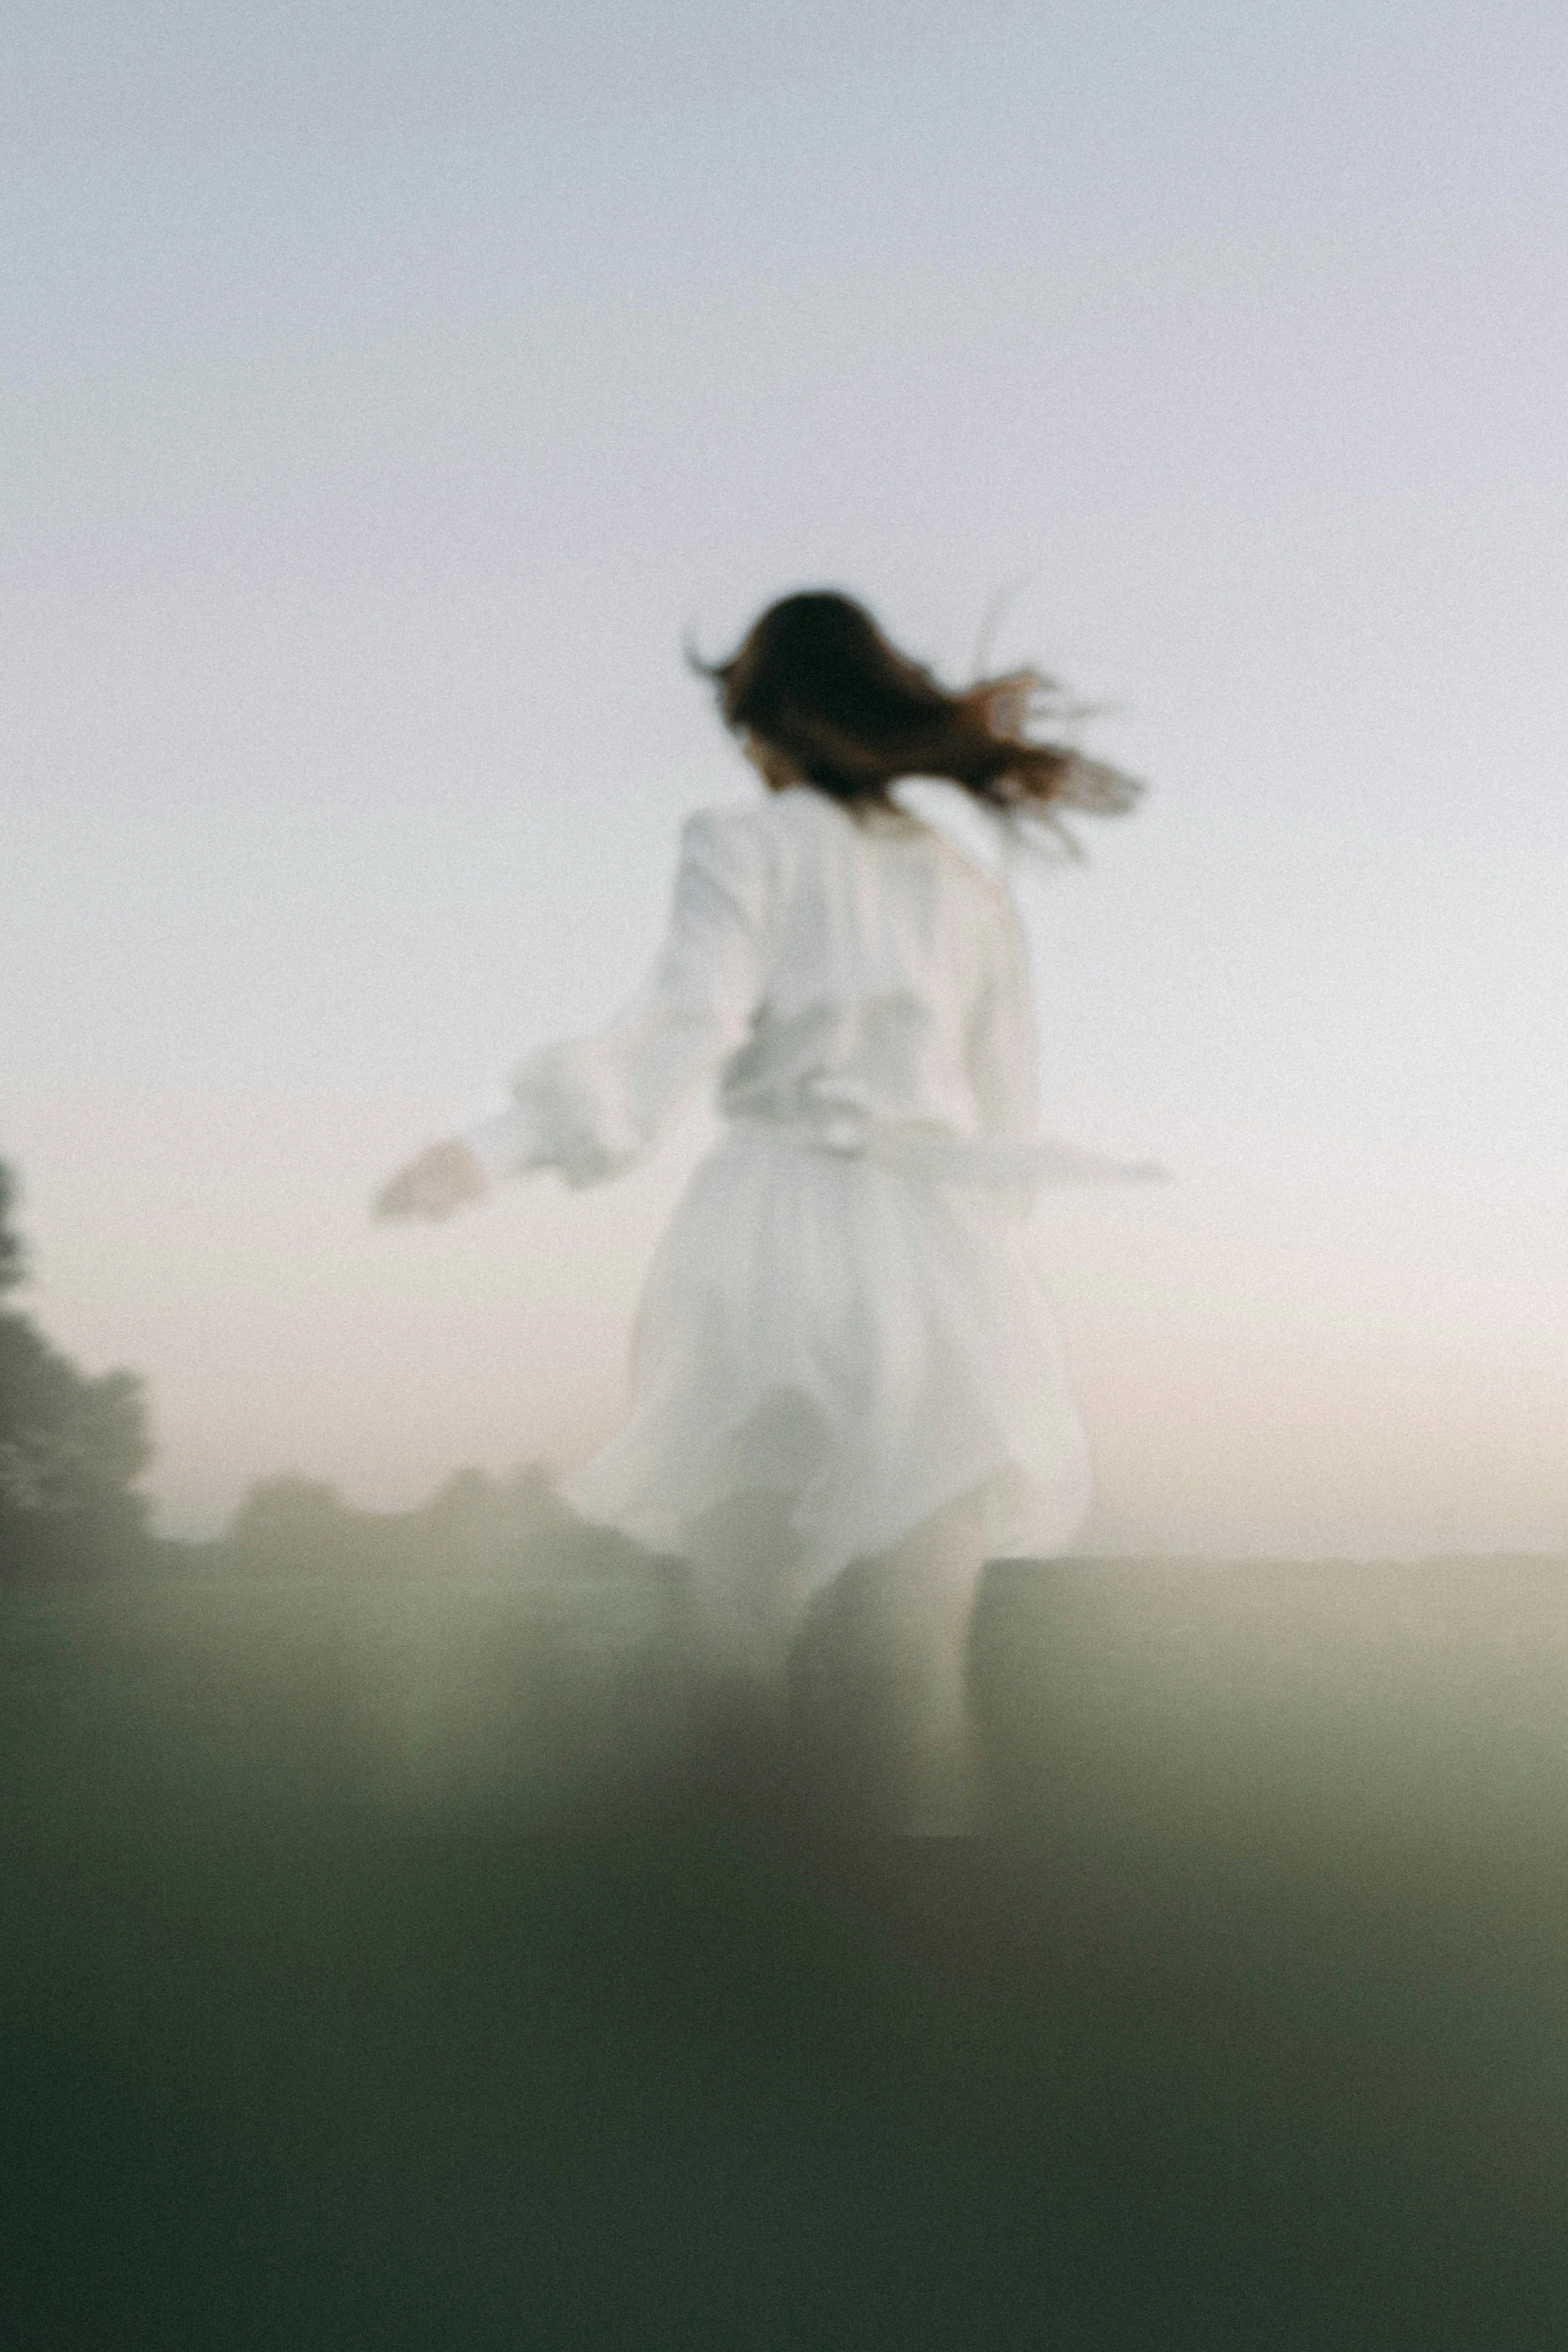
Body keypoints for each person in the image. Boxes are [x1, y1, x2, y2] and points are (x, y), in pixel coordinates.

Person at [376, 591, 1155, 1832]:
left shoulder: (740, 844)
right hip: (939, 1261)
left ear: (777, 718)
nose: (744, 753)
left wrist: (497, 1143)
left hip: (771, 1246)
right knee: (919, 1681)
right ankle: (913, 1986)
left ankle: (747, 1964)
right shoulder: (969, 887)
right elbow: (1005, 1115)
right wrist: (956, 1260)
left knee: (740, 1652)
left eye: (743, 725)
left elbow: (677, 1030)